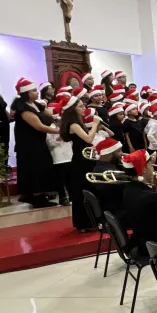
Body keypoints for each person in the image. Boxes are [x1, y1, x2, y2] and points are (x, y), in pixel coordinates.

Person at [12, 78, 60, 208]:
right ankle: (37, 197)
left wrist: (59, 116)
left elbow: (50, 115)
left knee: (43, 167)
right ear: (26, 93)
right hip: (29, 143)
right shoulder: (24, 108)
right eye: (33, 90)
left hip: (38, 141)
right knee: (36, 168)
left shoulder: (36, 104)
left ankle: (39, 195)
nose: (37, 92)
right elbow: (39, 126)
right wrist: (59, 131)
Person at [121, 150, 157, 258]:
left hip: (141, 240)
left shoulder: (128, 189)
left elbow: (151, 208)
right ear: (144, 169)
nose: (152, 169)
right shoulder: (149, 196)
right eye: (150, 165)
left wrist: (154, 189)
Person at [60, 96, 102, 230]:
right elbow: (88, 138)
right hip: (81, 161)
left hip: (85, 157)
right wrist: (95, 124)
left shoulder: (77, 123)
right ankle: (85, 223)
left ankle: (90, 222)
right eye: (80, 106)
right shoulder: (73, 124)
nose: (84, 108)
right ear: (72, 109)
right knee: (84, 190)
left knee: (88, 189)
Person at [45, 103, 72, 206]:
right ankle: (63, 197)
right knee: (61, 180)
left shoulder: (67, 128)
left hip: (69, 156)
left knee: (70, 179)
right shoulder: (49, 130)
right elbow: (49, 143)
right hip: (58, 158)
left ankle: (72, 196)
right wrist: (57, 139)